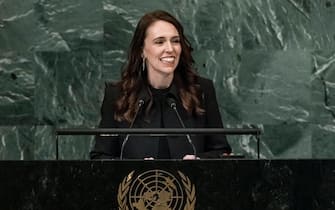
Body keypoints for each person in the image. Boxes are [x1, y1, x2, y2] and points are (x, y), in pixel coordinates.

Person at [90, 10, 232, 160]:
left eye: (175, 41)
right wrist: (133, 168)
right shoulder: (117, 94)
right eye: (159, 42)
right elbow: (100, 157)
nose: (170, 49)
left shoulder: (202, 90)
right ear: (141, 51)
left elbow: (221, 152)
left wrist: (199, 162)